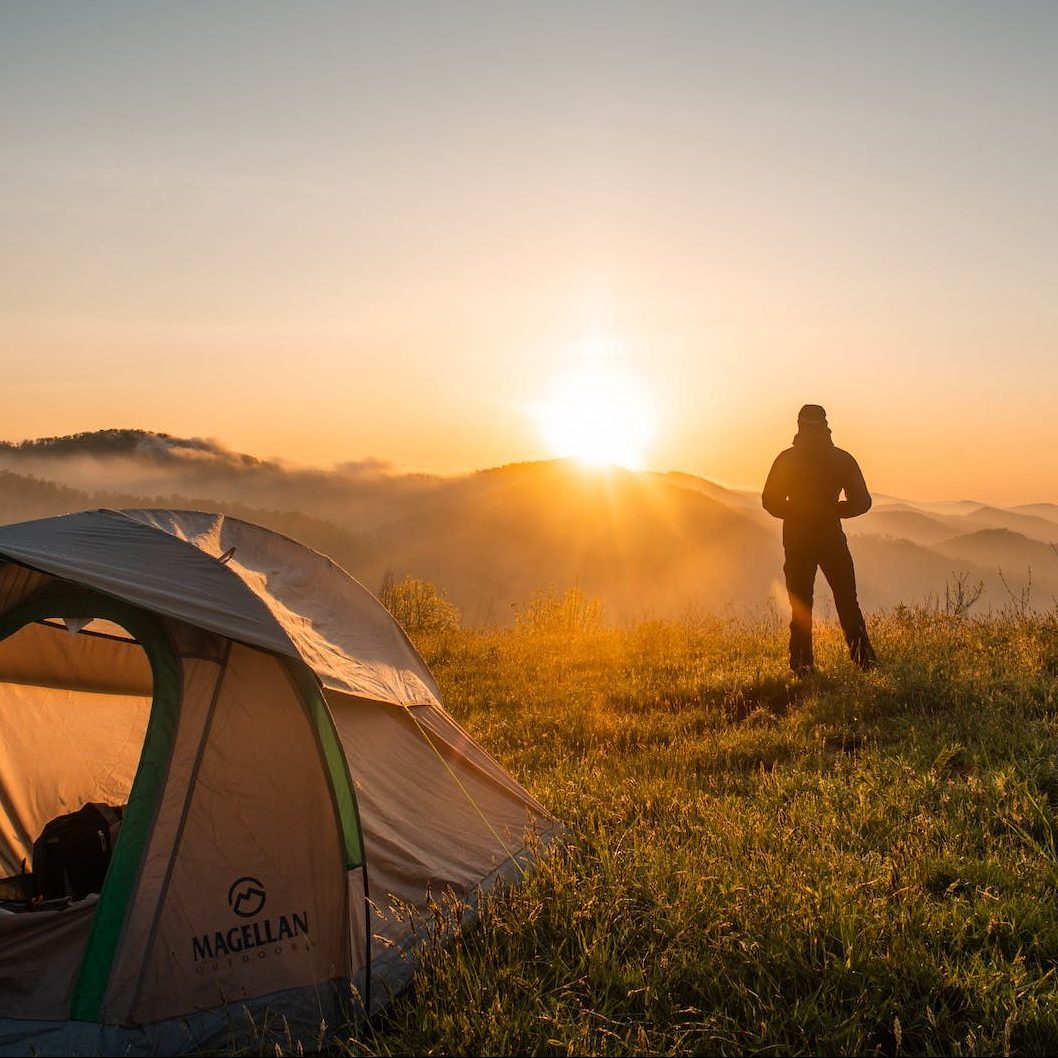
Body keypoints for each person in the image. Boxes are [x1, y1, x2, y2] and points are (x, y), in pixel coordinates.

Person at [762, 404, 877, 675]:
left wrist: (797, 511)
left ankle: (802, 666)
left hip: (797, 540)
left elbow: (770, 502)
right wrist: (833, 510)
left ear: (799, 426)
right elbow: (863, 502)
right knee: (847, 600)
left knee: (801, 604)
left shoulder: (787, 459)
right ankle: (864, 661)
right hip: (831, 539)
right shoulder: (841, 459)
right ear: (826, 425)